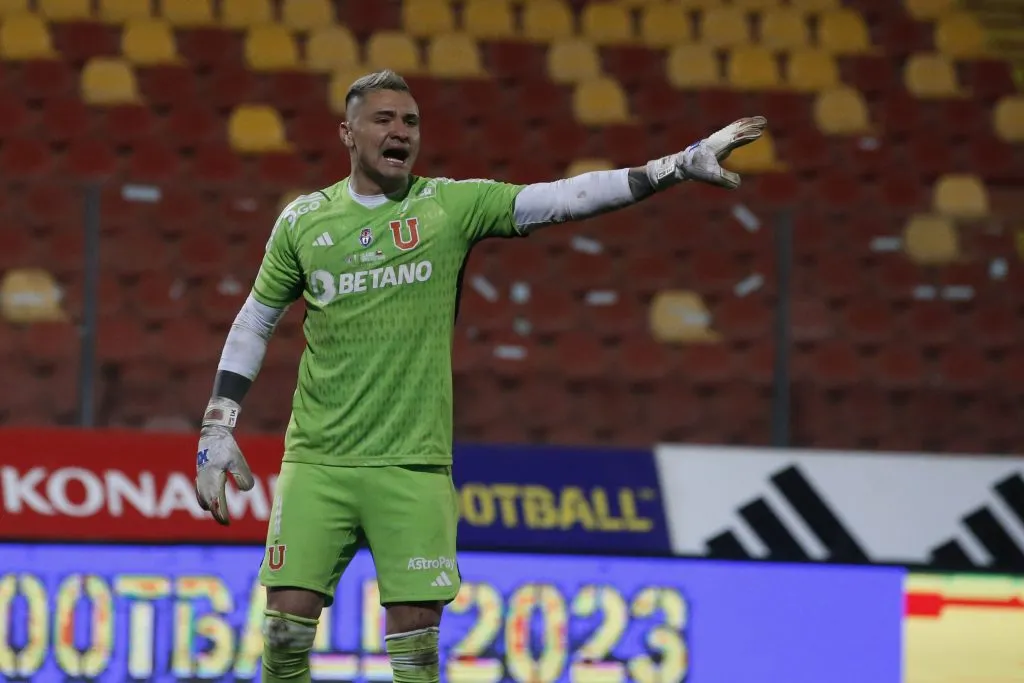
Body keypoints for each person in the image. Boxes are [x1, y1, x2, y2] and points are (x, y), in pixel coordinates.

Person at [193, 69, 766, 683]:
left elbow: (564, 197)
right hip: (318, 461)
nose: (400, 132)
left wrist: (671, 167)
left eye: (410, 121)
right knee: (281, 641)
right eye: (384, 119)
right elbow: (255, 320)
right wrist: (218, 426)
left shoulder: (450, 207)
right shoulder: (303, 221)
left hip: (412, 467)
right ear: (348, 133)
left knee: (415, 661)